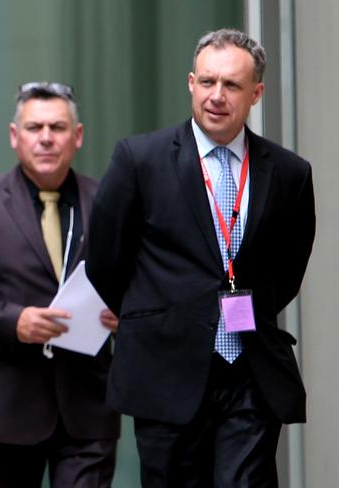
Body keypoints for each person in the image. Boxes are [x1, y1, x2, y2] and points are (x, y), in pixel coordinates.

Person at [87, 28, 316, 487]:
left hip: (250, 366)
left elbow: (288, 268)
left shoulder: (289, 172)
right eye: (207, 82)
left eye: (231, 85)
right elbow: (104, 261)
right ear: (191, 83)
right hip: (165, 367)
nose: (217, 96)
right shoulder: (140, 159)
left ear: (256, 93)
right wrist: (152, 313)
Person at [0, 82, 120, 487]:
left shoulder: (108, 201)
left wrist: (129, 313)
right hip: (4, 410)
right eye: (35, 128)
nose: (47, 138)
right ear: (15, 137)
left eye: (58, 127)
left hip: (88, 405)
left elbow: (137, 278)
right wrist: (13, 321)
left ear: (78, 136)